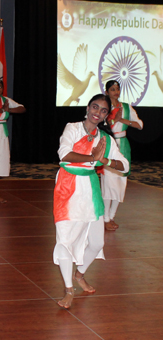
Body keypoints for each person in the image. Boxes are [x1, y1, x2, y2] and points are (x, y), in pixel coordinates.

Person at [53, 94, 129, 309]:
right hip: (68, 187)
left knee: (97, 242)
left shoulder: (105, 139)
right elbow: (65, 154)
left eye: (103, 110)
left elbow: (124, 166)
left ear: (106, 115)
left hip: (91, 189)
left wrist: (105, 159)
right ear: (87, 108)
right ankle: (69, 289)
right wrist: (92, 158)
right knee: (65, 240)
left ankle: (79, 274)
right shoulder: (72, 128)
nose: (98, 112)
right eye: (95, 107)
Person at [100, 80, 143, 231]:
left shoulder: (126, 107)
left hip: (123, 145)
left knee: (120, 182)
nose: (116, 92)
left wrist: (122, 120)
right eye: (112, 89)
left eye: (117, 89)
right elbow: (100, 125)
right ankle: (105, 218)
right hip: (109, 145)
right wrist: (112, 119)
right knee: (108, 183)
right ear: (107, 92)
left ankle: (112, 217)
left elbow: (139, 124)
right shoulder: (104, 107)